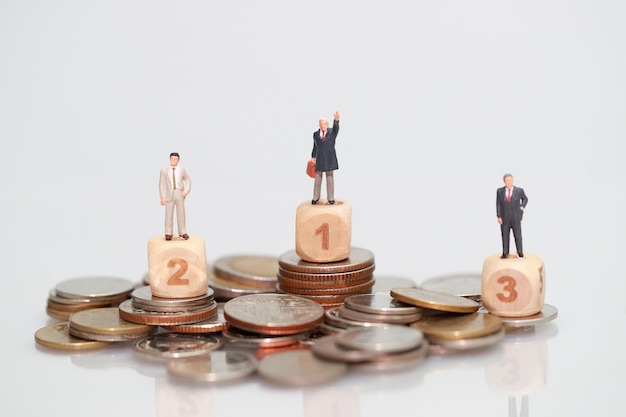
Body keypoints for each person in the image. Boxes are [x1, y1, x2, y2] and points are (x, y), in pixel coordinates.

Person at [159, 152, 191, 241]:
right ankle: (168, 233)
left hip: (179, 193)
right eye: (172, 159)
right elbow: (162, 184)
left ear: (178, 160)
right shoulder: (164, 171)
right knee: (168, 214)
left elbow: (188, 179)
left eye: (175, 159)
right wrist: (162, 197)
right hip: (169, 194)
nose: (173, 160)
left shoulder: (182, 170)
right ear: (169, 159)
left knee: (181, 213)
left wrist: (186, 190)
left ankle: (182, 232)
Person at [310, 111, 340, 205]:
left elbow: (336, 128)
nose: (325, 125)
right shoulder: (315, 134)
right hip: (319, 159)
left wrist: (336, 120)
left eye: (326, 123)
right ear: (320, 124)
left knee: (330, 179)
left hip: (330, 159)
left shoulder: (332, 132)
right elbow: (315, 146)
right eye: (323, 123)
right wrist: (313, 157)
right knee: (317, 180)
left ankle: (330, 198)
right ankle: (315, 197)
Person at [496, 173, 528, 258]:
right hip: (505, 217)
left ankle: (520, 252)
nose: (509, 182)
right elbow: (498, 204)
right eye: (507, 180)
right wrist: (499, 216)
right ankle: (505, 252)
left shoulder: (519, 190)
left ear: (513, 180)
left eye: (510, 180)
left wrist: (522, 206)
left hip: (516, 217)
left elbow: (525, 198)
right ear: (504, 182)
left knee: (517, 235)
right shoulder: (500, 191)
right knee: (505, 235)